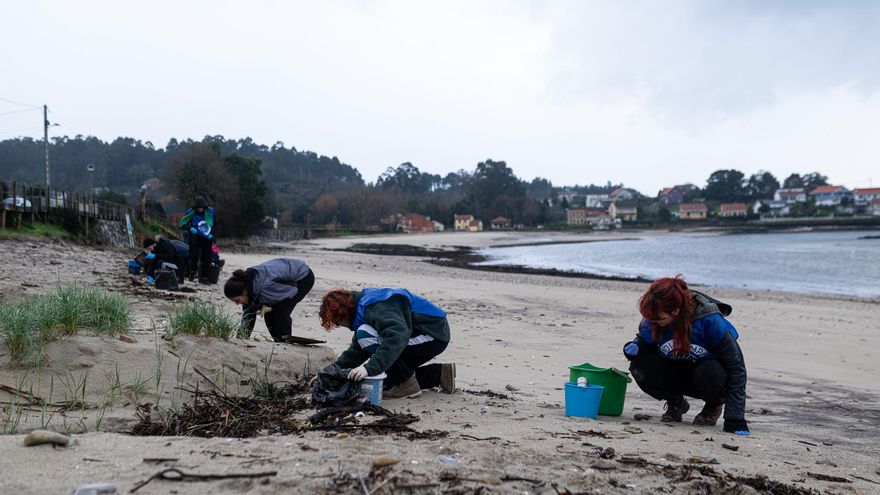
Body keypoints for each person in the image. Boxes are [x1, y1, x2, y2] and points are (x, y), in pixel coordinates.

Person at [622, 275, 749, 435]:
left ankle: (713, 406)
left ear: (675, 311)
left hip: (707, 377)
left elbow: (737, 369)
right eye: (650, 319)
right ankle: (676, 402)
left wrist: (735, 419)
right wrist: (635, 348)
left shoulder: (710, 322)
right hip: (675, 371)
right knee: (639, 367)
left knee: (711, 371)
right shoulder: (654, 320)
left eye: (659, 318)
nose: (653, 322)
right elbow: (644, 341)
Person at [318, 288, 455, 399]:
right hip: (426, 332)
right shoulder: (362, 305)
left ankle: (407, 386)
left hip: (432, 334)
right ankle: (441, 374)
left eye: (337, 323)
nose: (341, 326)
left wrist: (369, 368)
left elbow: (396, 338)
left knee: (365, 336)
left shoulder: (374, 306)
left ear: (343, 313)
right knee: (387, 380)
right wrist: (330, 372)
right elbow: (356, 352)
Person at [224, 258, 315, 342]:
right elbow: (248, 314)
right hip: (283, 278)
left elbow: (291, 291)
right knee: (267, 311)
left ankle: (285, 341)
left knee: (280, 311)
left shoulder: (265, 287)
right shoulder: (248, 285)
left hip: (303, 277)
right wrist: (241, 339)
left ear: (244, 291)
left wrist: (265, 306)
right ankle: (278, 341)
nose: (237, 303)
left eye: (237, 300)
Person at [179, 196, 215, 284]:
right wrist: (190, 228)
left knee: (206, 258)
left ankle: (205, 277)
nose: (200, 209)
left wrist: (213, 234)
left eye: (201, 208)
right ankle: (193, 271)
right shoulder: (191, 212)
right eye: (198, 208)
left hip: (207, 238)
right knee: (193, 257)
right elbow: (183, 224)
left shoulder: (210, 212)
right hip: (194, 237)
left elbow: (216, 224)